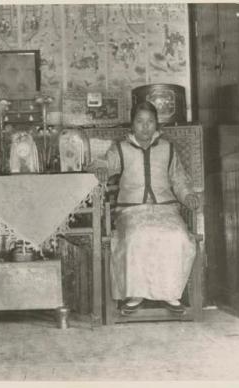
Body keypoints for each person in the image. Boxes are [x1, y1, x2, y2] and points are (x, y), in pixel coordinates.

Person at [89, 101, 199, 315]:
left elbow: (179, 179)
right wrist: (101, 169)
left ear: (157, 124)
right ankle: (135, 294)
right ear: (132, 124)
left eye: (150, 121)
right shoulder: (120, 148)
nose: (145, 127)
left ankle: (171, 294)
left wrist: (188, 196)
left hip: (165, 210)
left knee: (177, 236)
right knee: (137, 236)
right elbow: (103, 163)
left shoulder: (167, 148)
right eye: (140, 121)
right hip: (131, 211)